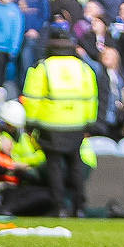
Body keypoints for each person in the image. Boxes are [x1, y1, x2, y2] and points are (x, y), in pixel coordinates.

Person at [22, 26, 98, 217]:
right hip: (76, 123)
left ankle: (60, 207)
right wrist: (89, 122)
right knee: (75, 164)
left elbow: (32, 97)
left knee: (54, 166)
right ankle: (79, 207)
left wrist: (31, 123)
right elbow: (91, 97)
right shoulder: (82, 68)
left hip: (50, 124)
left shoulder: (44, 67)